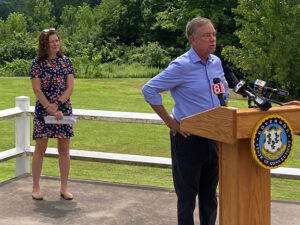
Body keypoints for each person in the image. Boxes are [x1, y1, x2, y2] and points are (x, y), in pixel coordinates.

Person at [142, 16, 229, 225]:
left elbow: (223, 92)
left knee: (210, 196)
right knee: (187, 198)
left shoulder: (216, 62)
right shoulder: (181, 66)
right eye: (206, 35)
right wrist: (170, 122)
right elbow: (149, 89)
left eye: (214, 34)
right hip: (188, 138)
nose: (212, 39)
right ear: (193, 39)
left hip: (214, 138)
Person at [30, 28, 75, 200]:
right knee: (40, 149)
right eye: (52, 42)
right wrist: (48, 106)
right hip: (43, 110)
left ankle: (64, 188)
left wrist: (57, 105)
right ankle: (36, 188)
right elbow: (36, 89)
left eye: (57, 40)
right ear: (44, 45)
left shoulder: (66, 62)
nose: (56, 44)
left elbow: (70, 87)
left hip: (63, 110)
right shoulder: (37, 64)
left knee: (64, 149)